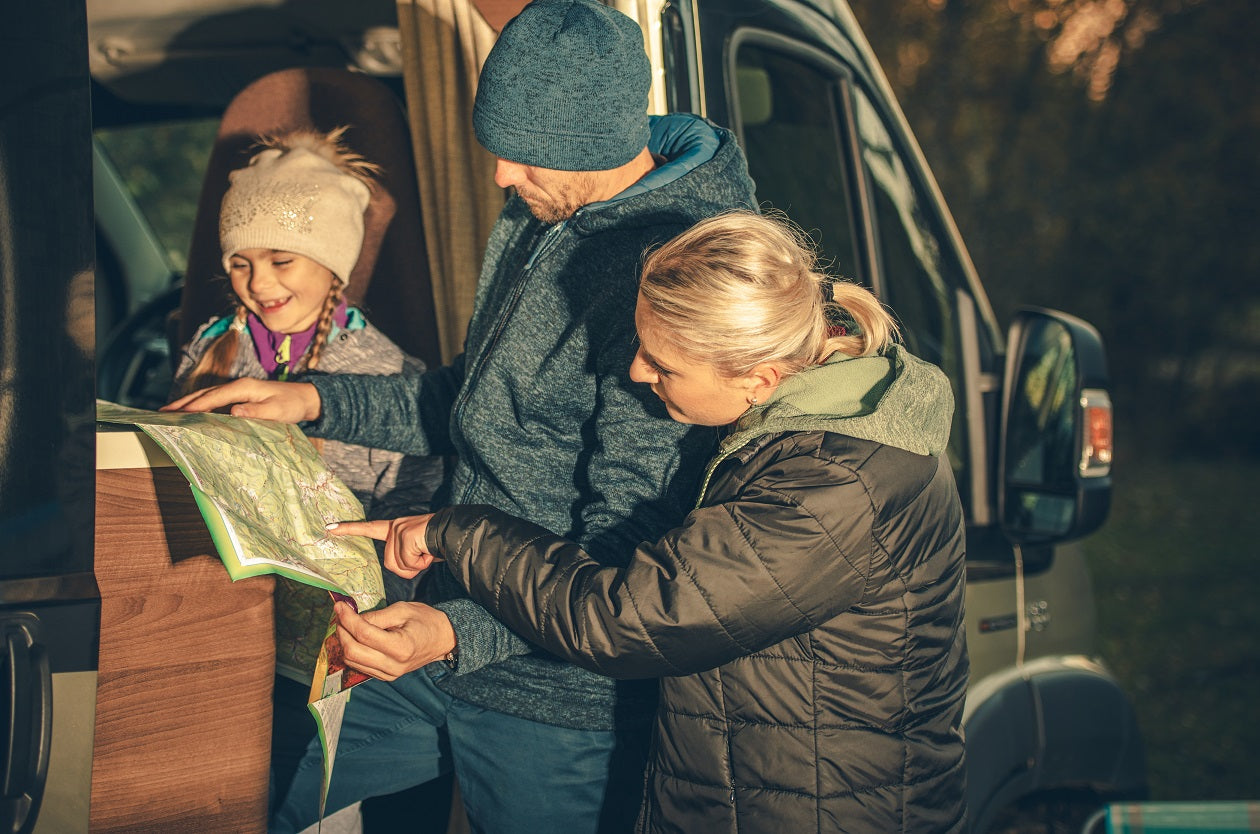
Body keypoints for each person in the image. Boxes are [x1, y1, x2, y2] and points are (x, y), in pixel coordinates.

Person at [163, 0, 758, 830]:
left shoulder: (677, 282)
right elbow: (468, 402)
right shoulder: (546, 204)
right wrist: (314, 399)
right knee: (219, 794)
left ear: (589, 139)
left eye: (522, 158)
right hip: (436, 633)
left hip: (561, 699)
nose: (501, 178)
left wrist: (456, 632)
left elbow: (627, 550)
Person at [330, 211, 971, 832]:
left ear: (760, 377)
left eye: (665, 366)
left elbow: (626, 618)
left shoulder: (829, 488)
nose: (637, 370)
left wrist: (456, 531)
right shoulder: (803, 435)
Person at [169, 127, 446, 829]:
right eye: (240, 263)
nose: (260, 284)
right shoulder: (210, 349)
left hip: (333, 640)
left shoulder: (385, 375)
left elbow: (414, 509)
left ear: (335, 265)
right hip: (223, 624)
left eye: (282, 260)